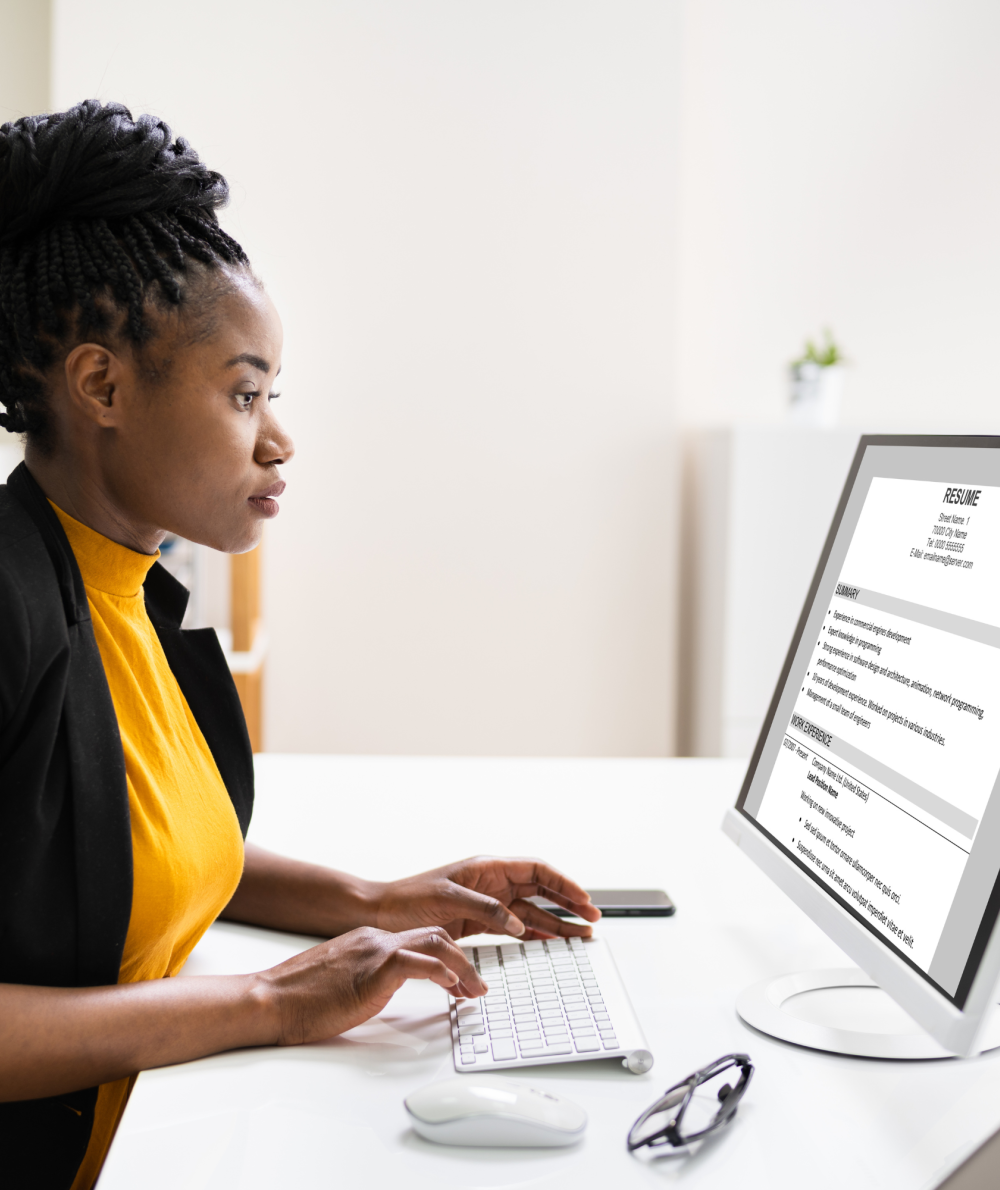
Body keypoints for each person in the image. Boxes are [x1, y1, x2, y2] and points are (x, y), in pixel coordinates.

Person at [0, 100, 601, 1190]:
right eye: (243, 394)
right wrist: (274, 998)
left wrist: (381, 900)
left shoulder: (134, 594)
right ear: (102, 387)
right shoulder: (9, 607)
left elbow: (133, 854)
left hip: (176, 1122)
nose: (278, 437)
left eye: (273, 394)